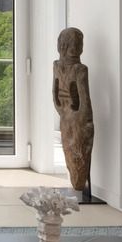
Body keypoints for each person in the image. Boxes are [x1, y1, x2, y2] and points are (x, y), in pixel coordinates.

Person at [53, 27, 94, 192]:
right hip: (70, 116)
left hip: (73, 116)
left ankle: (78, 182)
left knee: (76, 150)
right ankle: (77, 181)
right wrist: (66, 113)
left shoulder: (78, 69)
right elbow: (56, 94)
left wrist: (82, 120)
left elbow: (83, 100)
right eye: (75, 44)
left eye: (79, 44)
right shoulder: (72, 68)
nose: (78, 48)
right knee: (72, 150)